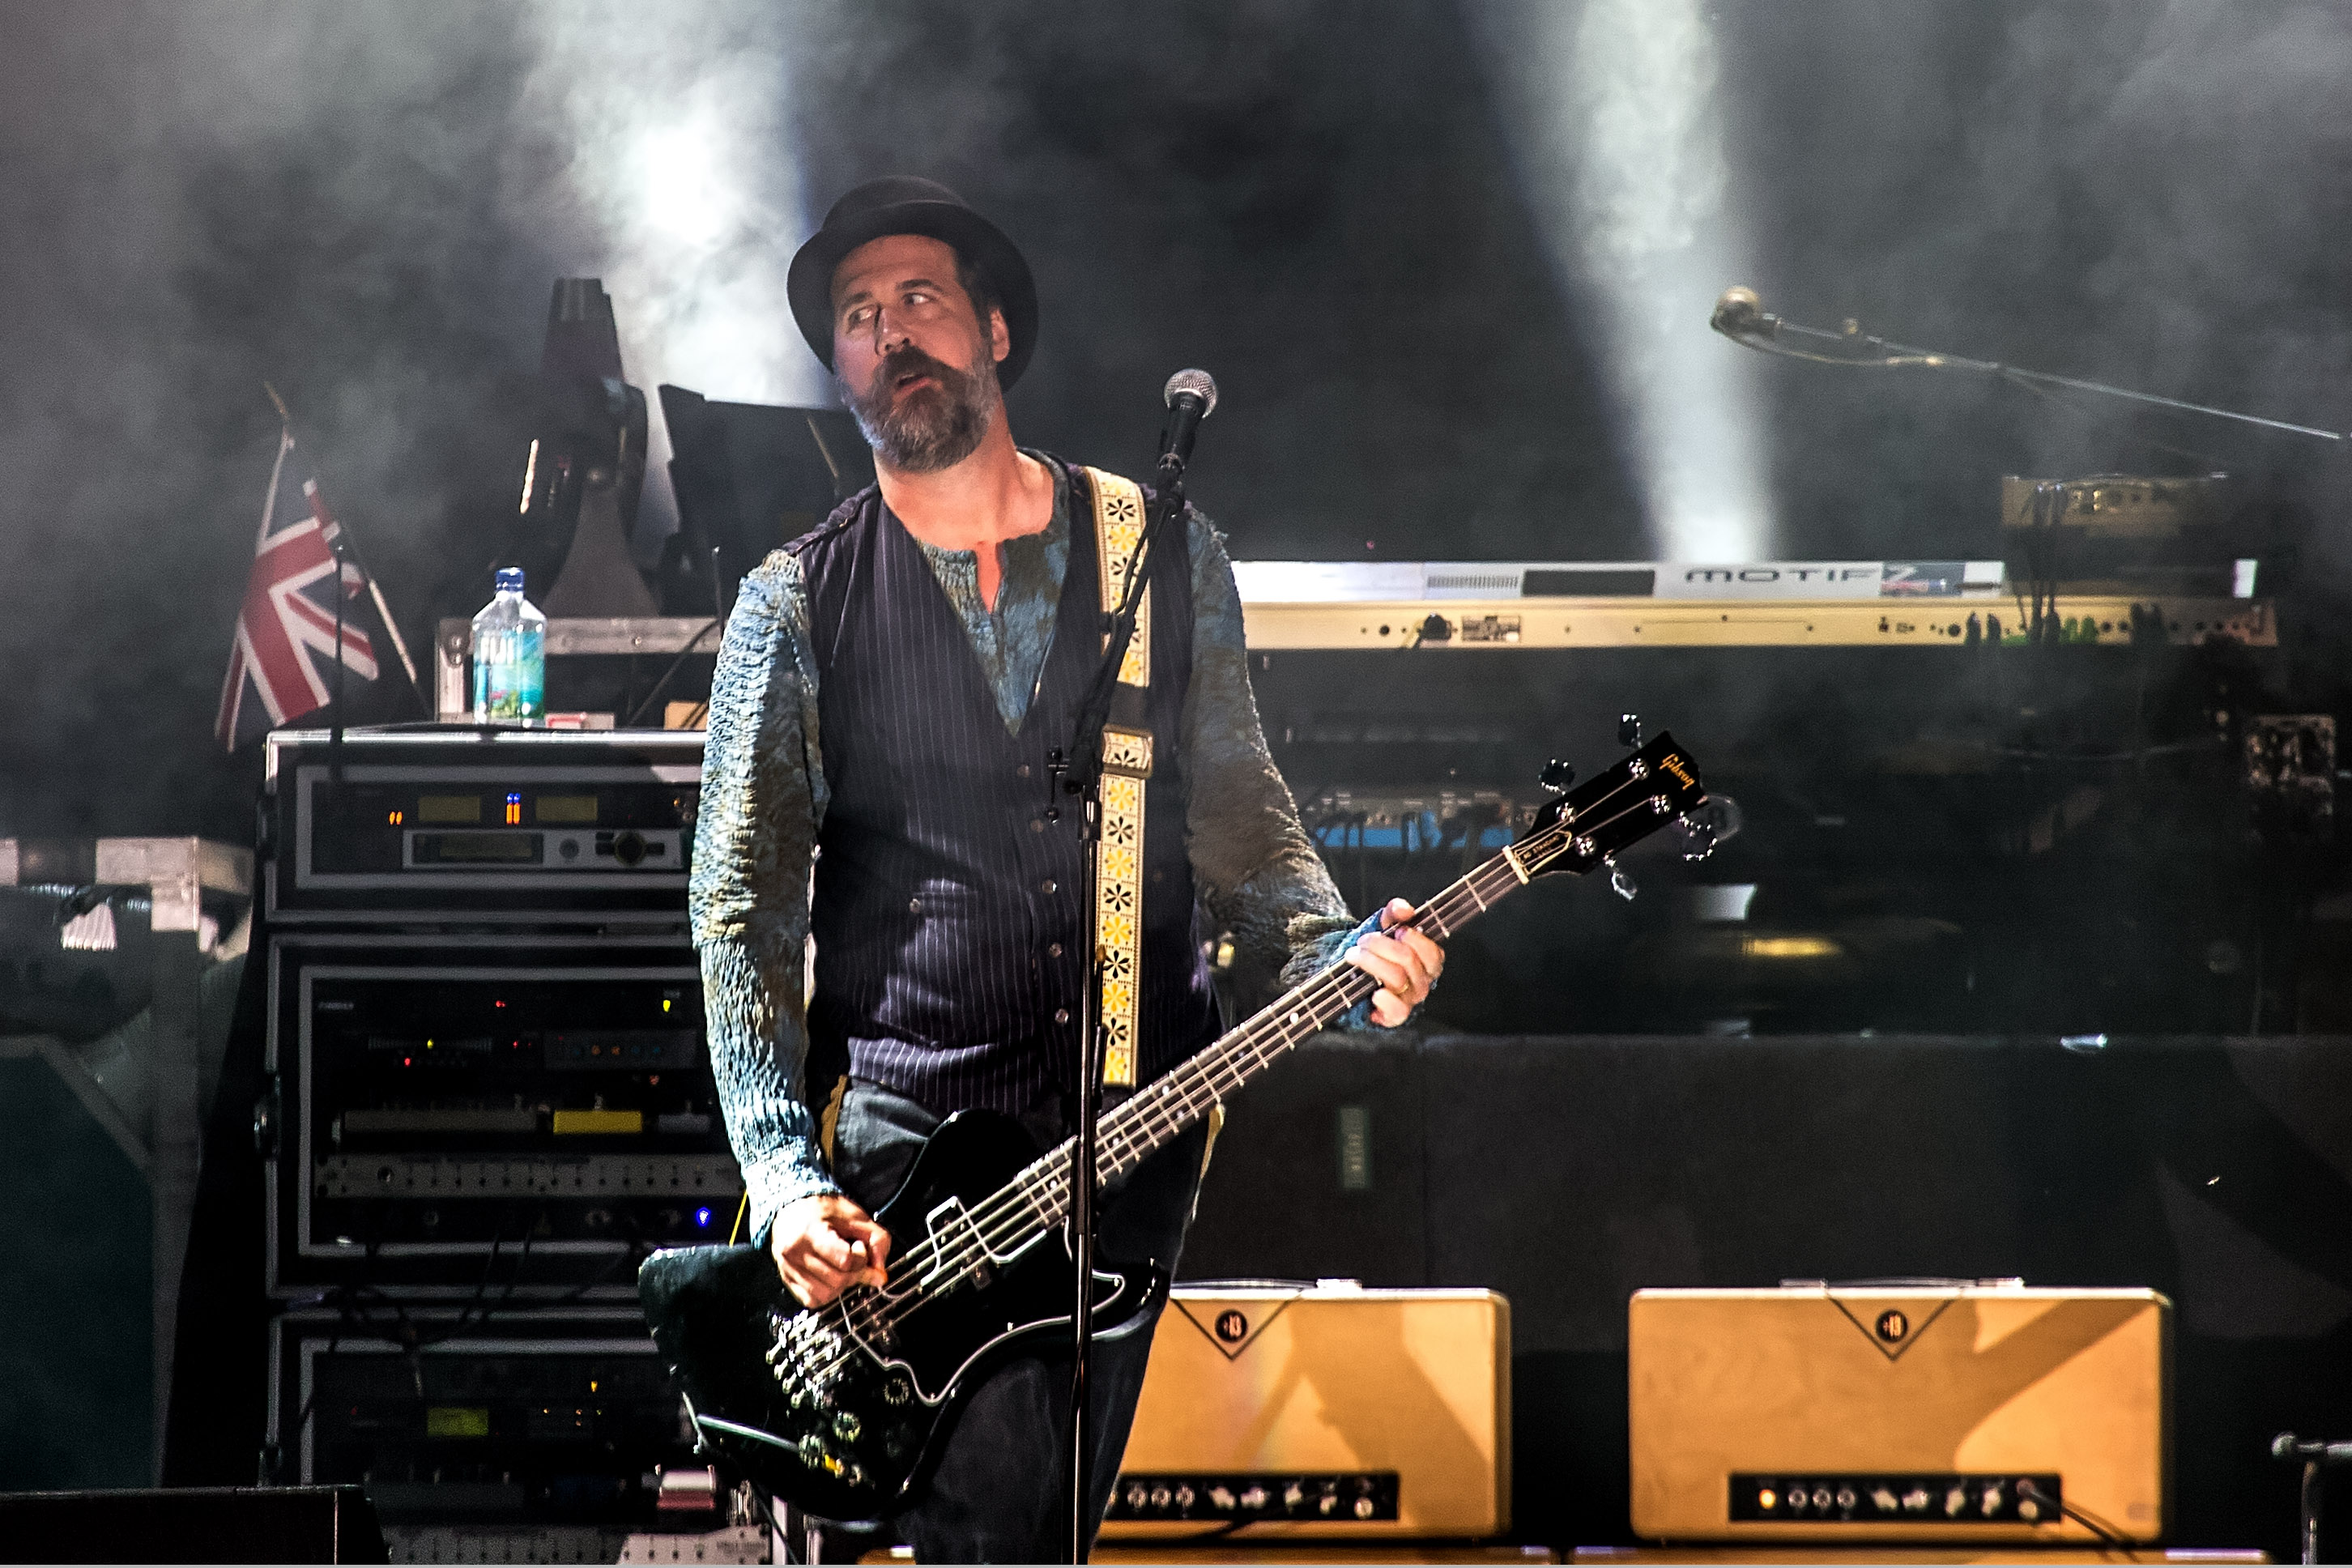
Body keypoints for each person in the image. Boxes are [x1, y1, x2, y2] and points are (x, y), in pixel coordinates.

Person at [691, 175, 1442, 1562]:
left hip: (1126, 1138)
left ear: (993, 332)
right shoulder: (792, 603)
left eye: (919, 300)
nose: (891, 332)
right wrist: (786, 1181)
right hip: (912, 1159)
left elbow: (1234, 810)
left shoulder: (1156, 554)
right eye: (859, 318)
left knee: (1047, 1529)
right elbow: (742, 910)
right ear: (842, 370)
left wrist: (1335, 949)